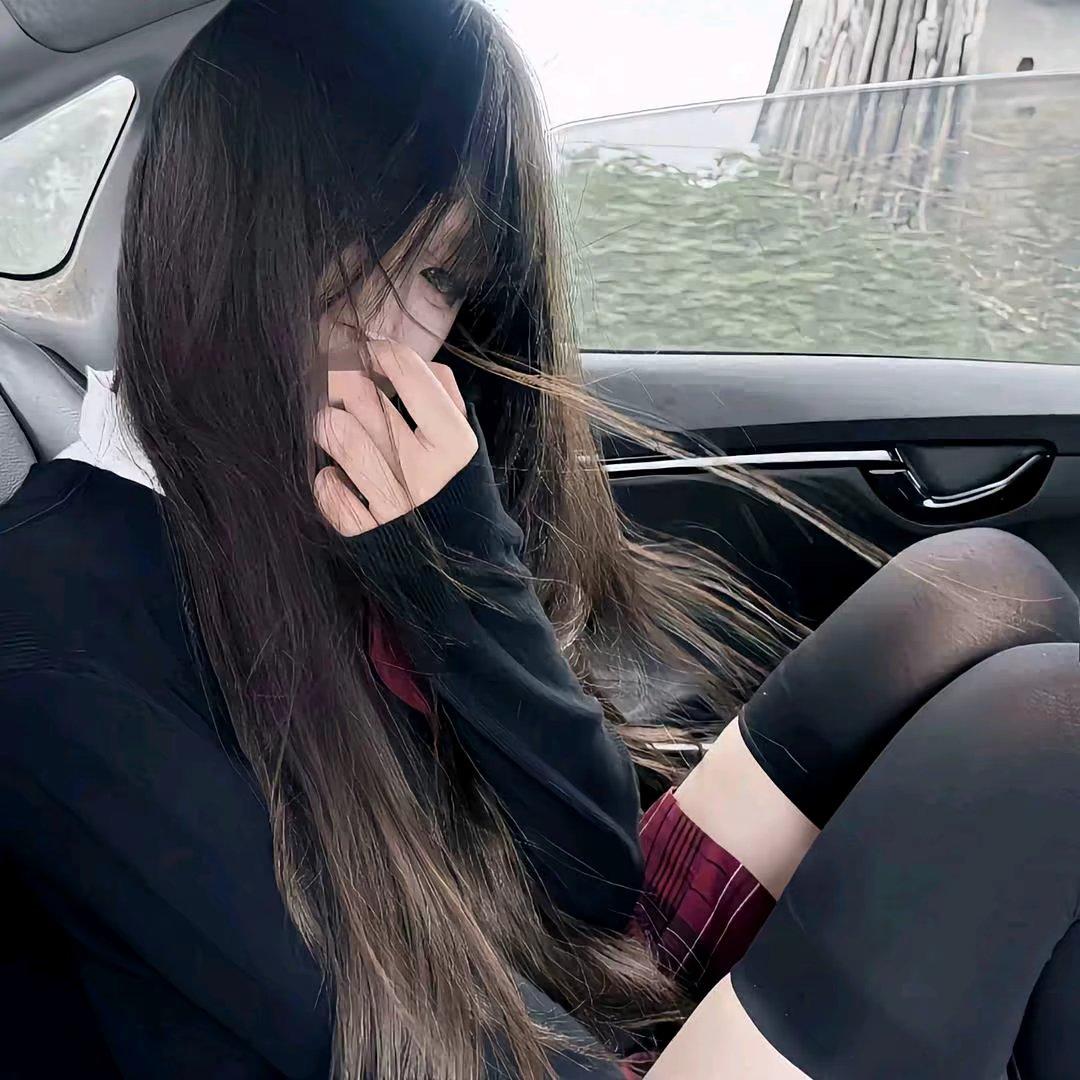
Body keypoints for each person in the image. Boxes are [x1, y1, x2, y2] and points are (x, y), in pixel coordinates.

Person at [2, 4, 1078, 1080]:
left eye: (439, 279)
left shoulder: (341, 493)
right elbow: (397, 1040)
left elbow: (592, 879)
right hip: (455, 1044)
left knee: (986, 586)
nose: (391, 342)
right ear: (213, 227)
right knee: (1045, 747)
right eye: (342, 263)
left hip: (531, 964)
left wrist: (455, 564)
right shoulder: (53, 633)